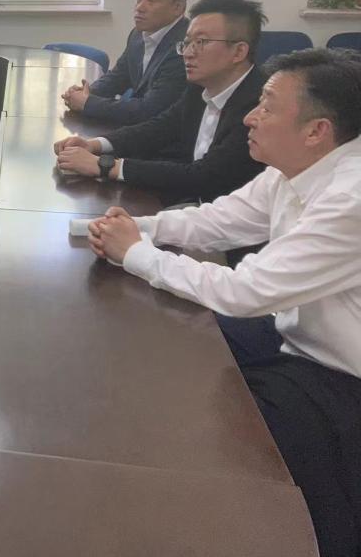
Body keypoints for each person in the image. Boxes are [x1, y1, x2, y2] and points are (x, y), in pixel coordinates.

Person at [88, 48, 361, 557]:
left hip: (337, 379)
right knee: (163, 349)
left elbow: (244, 292)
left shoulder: (351, 199)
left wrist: (137, 254)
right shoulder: (296, 168)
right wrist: (134, 229)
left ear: (316, 131)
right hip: (292, 338)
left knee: (210, 434)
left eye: (268, 106)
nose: (250, 117)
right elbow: (217, 221)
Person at [55, 0, 266, 205]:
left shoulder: (261, 106)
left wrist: (105, 166)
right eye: (187, 43)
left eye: (201, 42)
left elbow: (205, 176)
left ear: (239, 51)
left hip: (226, 214)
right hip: (195, 204)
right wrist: (95, 144)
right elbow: (160, 128)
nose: (188, 53)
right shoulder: (201, 87)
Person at [62, 0, 191, 125]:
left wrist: (88, 103)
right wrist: (87, 92)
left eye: (151, 1)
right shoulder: (137, 35)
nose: (139, 7)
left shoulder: (185, 48)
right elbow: (118, 77)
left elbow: (149, 110)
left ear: (178, 7)